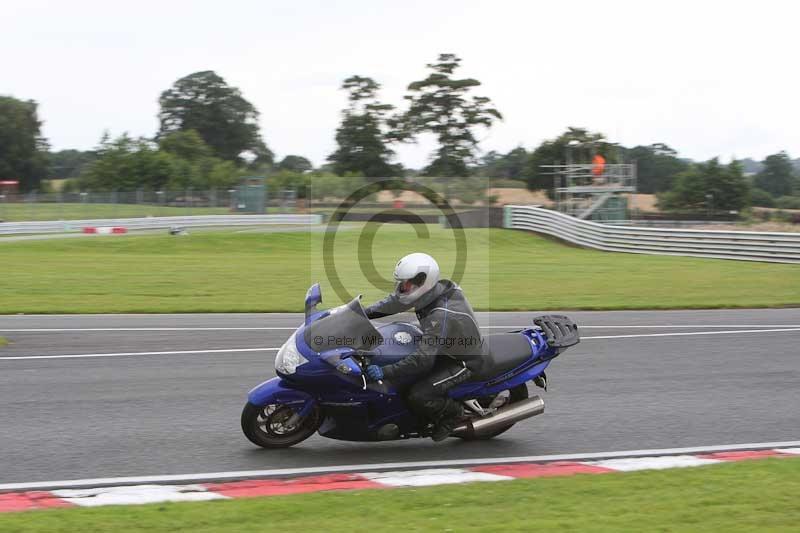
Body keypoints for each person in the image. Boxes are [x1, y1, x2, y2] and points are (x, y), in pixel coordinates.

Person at [363, 253, 486, 441]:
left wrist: (384, 371)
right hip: (444, 347)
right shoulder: (431, 292)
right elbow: (393, 303)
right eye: (401, 282)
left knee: (418, 395)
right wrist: (360, 314)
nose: (402, 287)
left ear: (422, 282)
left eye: (406, 283)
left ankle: (453, 414)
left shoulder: (439, 315)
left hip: (462, 360)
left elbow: (423, 361)